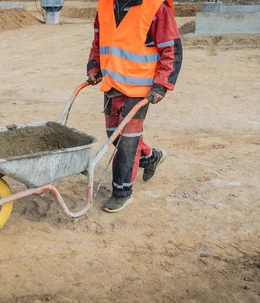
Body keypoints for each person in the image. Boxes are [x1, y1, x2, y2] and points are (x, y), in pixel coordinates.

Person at [86, 0, 182, 212]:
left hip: (141, 87)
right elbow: (99, 39)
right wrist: (95, 65)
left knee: (127, 142)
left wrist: (161, 85)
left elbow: (171, 49)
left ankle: (122, 192)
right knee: (114, 134)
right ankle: (150, 156)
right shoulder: (105, 5)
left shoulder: (156, 7)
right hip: (113, 84)